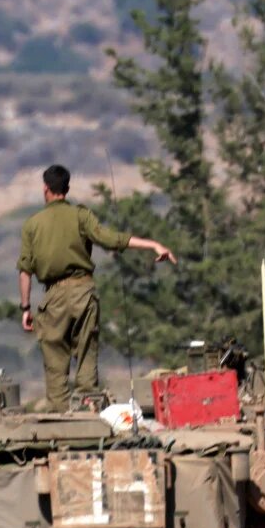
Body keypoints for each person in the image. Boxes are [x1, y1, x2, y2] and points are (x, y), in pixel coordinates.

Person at [16, 164, 176, 410]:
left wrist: (25, 307)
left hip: (53, 298)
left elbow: (25, 271)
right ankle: (87, 410)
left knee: (55, 361)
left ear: (45, 189)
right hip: (83, 292)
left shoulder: (32, 225)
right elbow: (111, 239)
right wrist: (153, 244)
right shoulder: (81, 216)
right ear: (67, 189)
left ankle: (61, 421)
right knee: (86, 352)